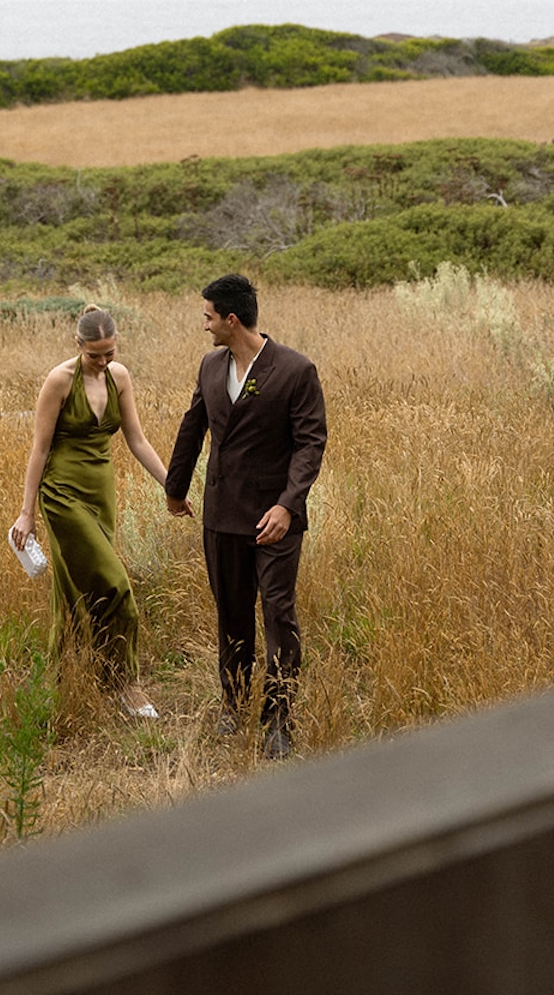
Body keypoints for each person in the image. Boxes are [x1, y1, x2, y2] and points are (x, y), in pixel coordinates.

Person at [164, 273, 327, 759]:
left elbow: (310, 444)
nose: (205, 326)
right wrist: (176, 488)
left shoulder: (296, 370)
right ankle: (233, 704)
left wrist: (287, 503)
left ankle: (279, 719)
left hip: (274, 518)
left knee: (278, 616)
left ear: (231, 319)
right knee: (231, 616)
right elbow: (193, 427)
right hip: (221, 515)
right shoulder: (210, 366)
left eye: (209, 317)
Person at [11, 305, 182, 719]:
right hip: (62, 494)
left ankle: (70, 674)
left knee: (77, 589)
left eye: (109, 353)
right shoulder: (59, 381)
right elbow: (39, 448)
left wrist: (171, 486)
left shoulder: (119, 377)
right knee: (116, 584)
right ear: (78, 346)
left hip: (100, 492)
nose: (103, 361)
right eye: (94, 355)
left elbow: (137, 440)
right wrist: (26, 513)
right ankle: (126, 684)